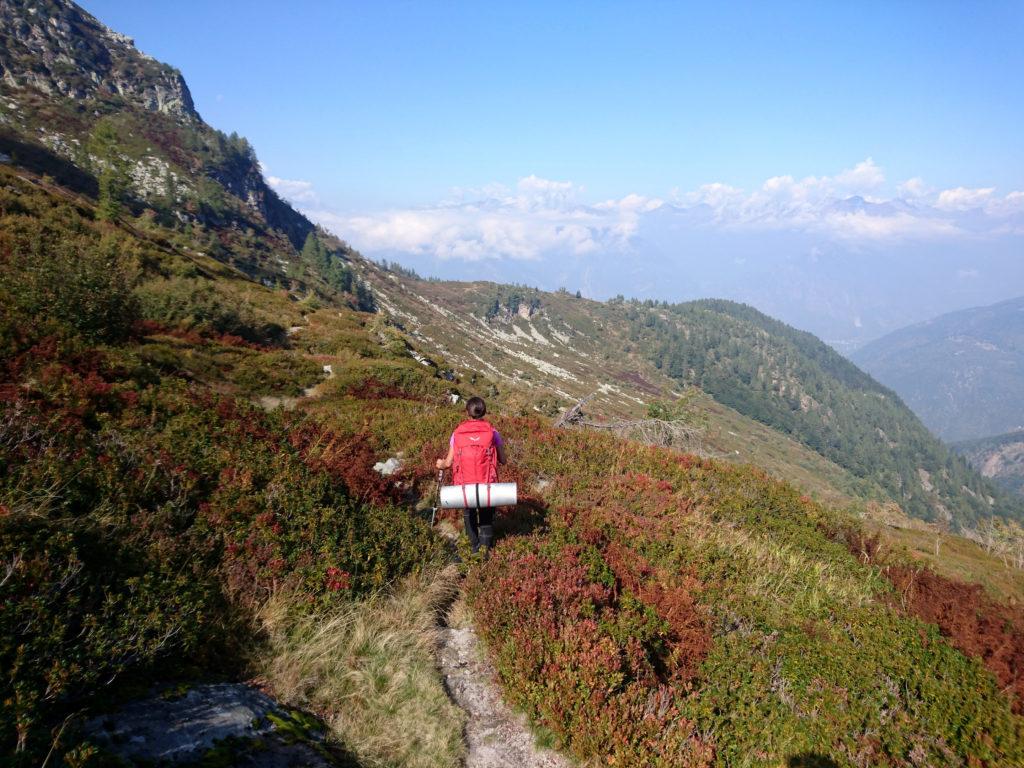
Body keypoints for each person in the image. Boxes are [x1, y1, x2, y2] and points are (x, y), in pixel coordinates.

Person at [436, 396, 507, 554]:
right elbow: (503, 460)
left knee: (469, 514)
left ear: (467, 412)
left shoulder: (457, 434)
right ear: (484, 412)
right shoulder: (493, 433)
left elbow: (448, 463)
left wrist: (440, 464)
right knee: (486, 516)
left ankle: (474, 549)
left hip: (464, 485)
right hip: (487, 484)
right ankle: (485, 551)